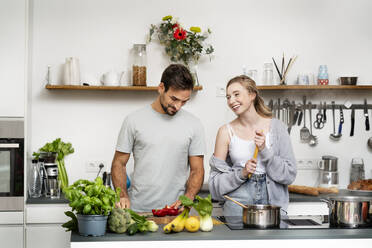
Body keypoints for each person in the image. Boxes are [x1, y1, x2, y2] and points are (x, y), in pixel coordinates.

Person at [111, 64, 205, 212]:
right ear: (161, 88)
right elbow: (119, 164)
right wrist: (122, 195)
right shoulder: (133, 120)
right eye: (174, 99)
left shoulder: (194, 124)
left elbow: (197, 170)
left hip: (175, 211)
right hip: (139, 210)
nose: (178, 106)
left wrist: (189, 196)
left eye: (184, 101)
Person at [208, 75, 296, 217]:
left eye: (236, 94)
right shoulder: (225, 132)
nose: (231, 101)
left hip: (273, 205)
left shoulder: (277, 127)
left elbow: (289, 175)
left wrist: (264, 151)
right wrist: (241, 173)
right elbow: (214, 185)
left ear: (252, 95)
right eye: (228, 97)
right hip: (237, 205)